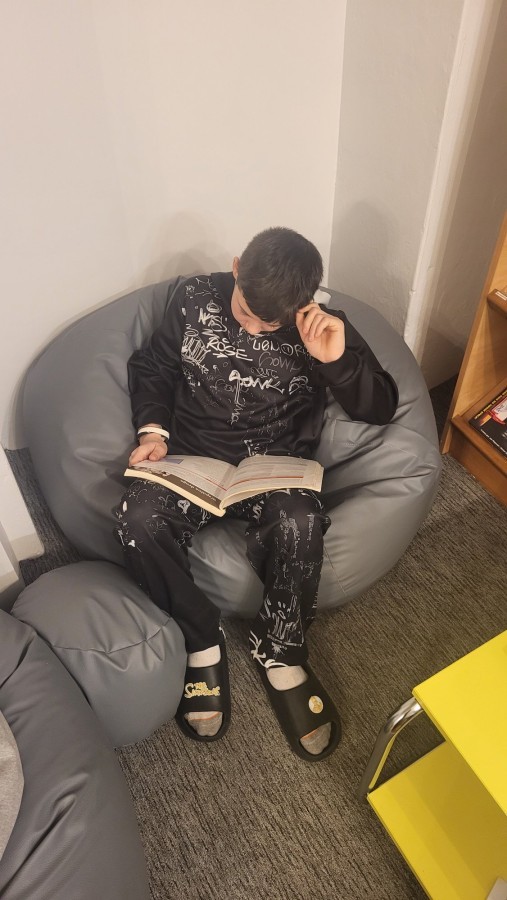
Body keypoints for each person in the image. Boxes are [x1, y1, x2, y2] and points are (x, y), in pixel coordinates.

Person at [114, 227, 398, 762]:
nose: (250, 328)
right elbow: (153, 366)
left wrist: (336, 361)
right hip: (191, 458)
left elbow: (381, 407)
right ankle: (201, 637)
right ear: (237, 266)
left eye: (268, 325)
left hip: (273, 467)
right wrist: (153, 432)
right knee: (137, 519)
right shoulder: (194, 296)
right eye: (244, 311)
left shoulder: (319, 324)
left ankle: (281, 649)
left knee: (301, 521)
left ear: (302, 304)